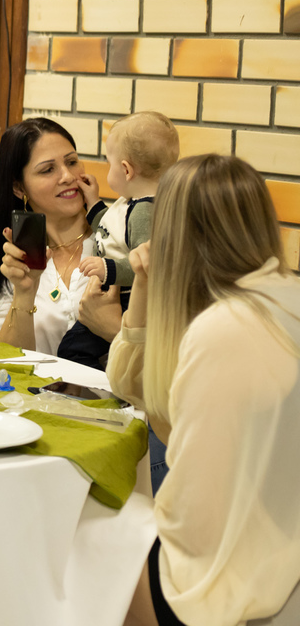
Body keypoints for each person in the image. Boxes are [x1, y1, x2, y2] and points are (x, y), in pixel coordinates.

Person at [108, 155, 300, 626]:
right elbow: (132, 384)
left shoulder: (225, 327)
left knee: (96, 533)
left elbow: (193, 502)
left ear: (173, 233)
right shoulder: (279, 294)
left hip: (246, 570)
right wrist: (146, 285)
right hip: (279, 538)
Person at [0, 118, 122, 361]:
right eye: (48, 169)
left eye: (72, 162)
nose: (67, 176)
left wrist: (114, 331)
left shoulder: (118, 238)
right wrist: (25, 292)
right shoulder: (17, 258)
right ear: (19, 188)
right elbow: (7, 364)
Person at [78, 111, 179, 296]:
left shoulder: (144, 212)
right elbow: (112, 231)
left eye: (109, 164)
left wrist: (107, 268)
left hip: (127, 301)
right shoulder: (134, 201)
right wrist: (93, 202)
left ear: (126, 170)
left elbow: (145, 264)